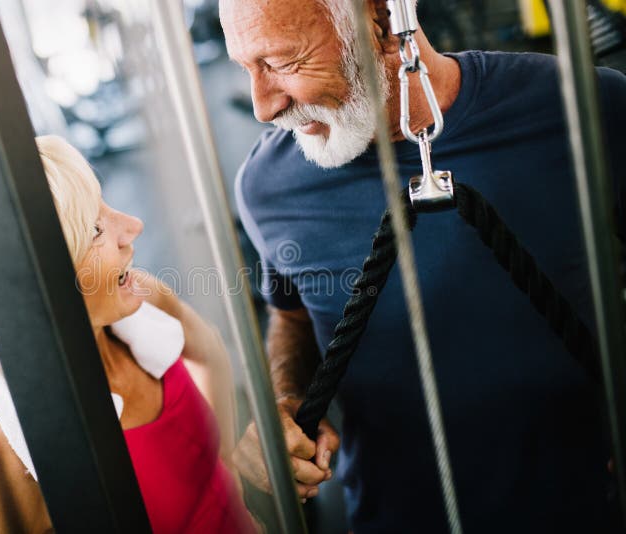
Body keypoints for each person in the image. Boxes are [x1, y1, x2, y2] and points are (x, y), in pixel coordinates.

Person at [220, 0, 626, 532]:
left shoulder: (583, 107)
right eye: (246, 68)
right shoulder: (267, 185)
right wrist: (285, 397)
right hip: (394, 514)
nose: (263, 106)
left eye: (283, 63)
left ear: (385, 24)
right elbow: (293, 315)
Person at [0, 135, 257, 534]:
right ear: (39, 283)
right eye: (94, 229)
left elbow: (207, 350)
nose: (132, 227)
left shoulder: (144, 297)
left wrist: (225, 467)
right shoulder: (0, 456)